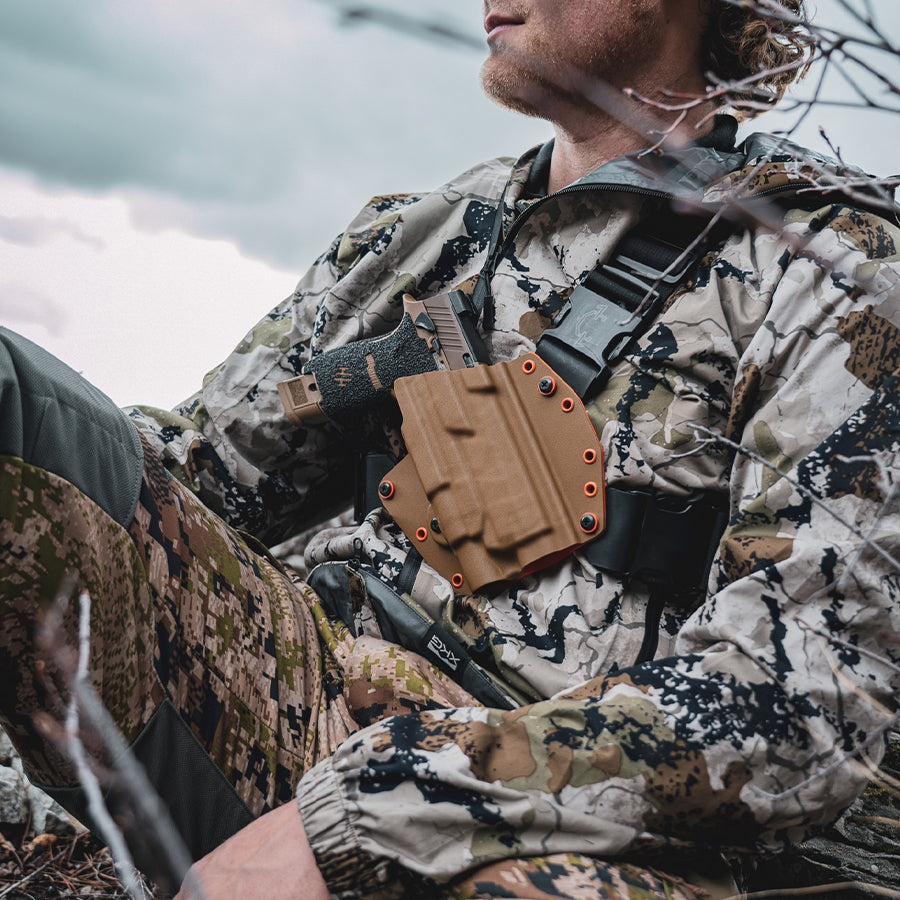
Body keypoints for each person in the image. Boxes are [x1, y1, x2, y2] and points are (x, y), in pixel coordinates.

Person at [1, 0, 898, 898]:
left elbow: (803, 702)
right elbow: (190, 473)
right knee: (19, 409)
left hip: (558, 820)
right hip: (297, 697)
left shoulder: (834, 269)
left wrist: (369, 813)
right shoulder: (426, 230)